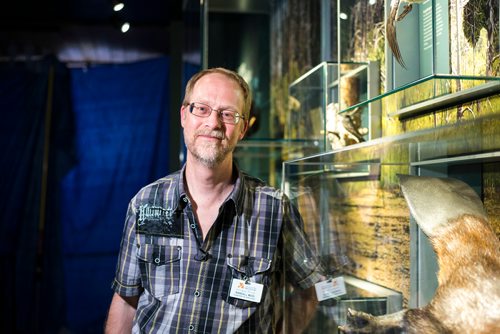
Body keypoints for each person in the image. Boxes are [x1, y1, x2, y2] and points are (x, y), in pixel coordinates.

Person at [105, 67, 324, 333]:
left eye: (228, 114)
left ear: (242, 128)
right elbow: (127, 300)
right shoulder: (145, 203)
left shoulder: (275, 209)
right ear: (184, 115)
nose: (214, 123)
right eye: (202, 109)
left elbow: (309, 291)